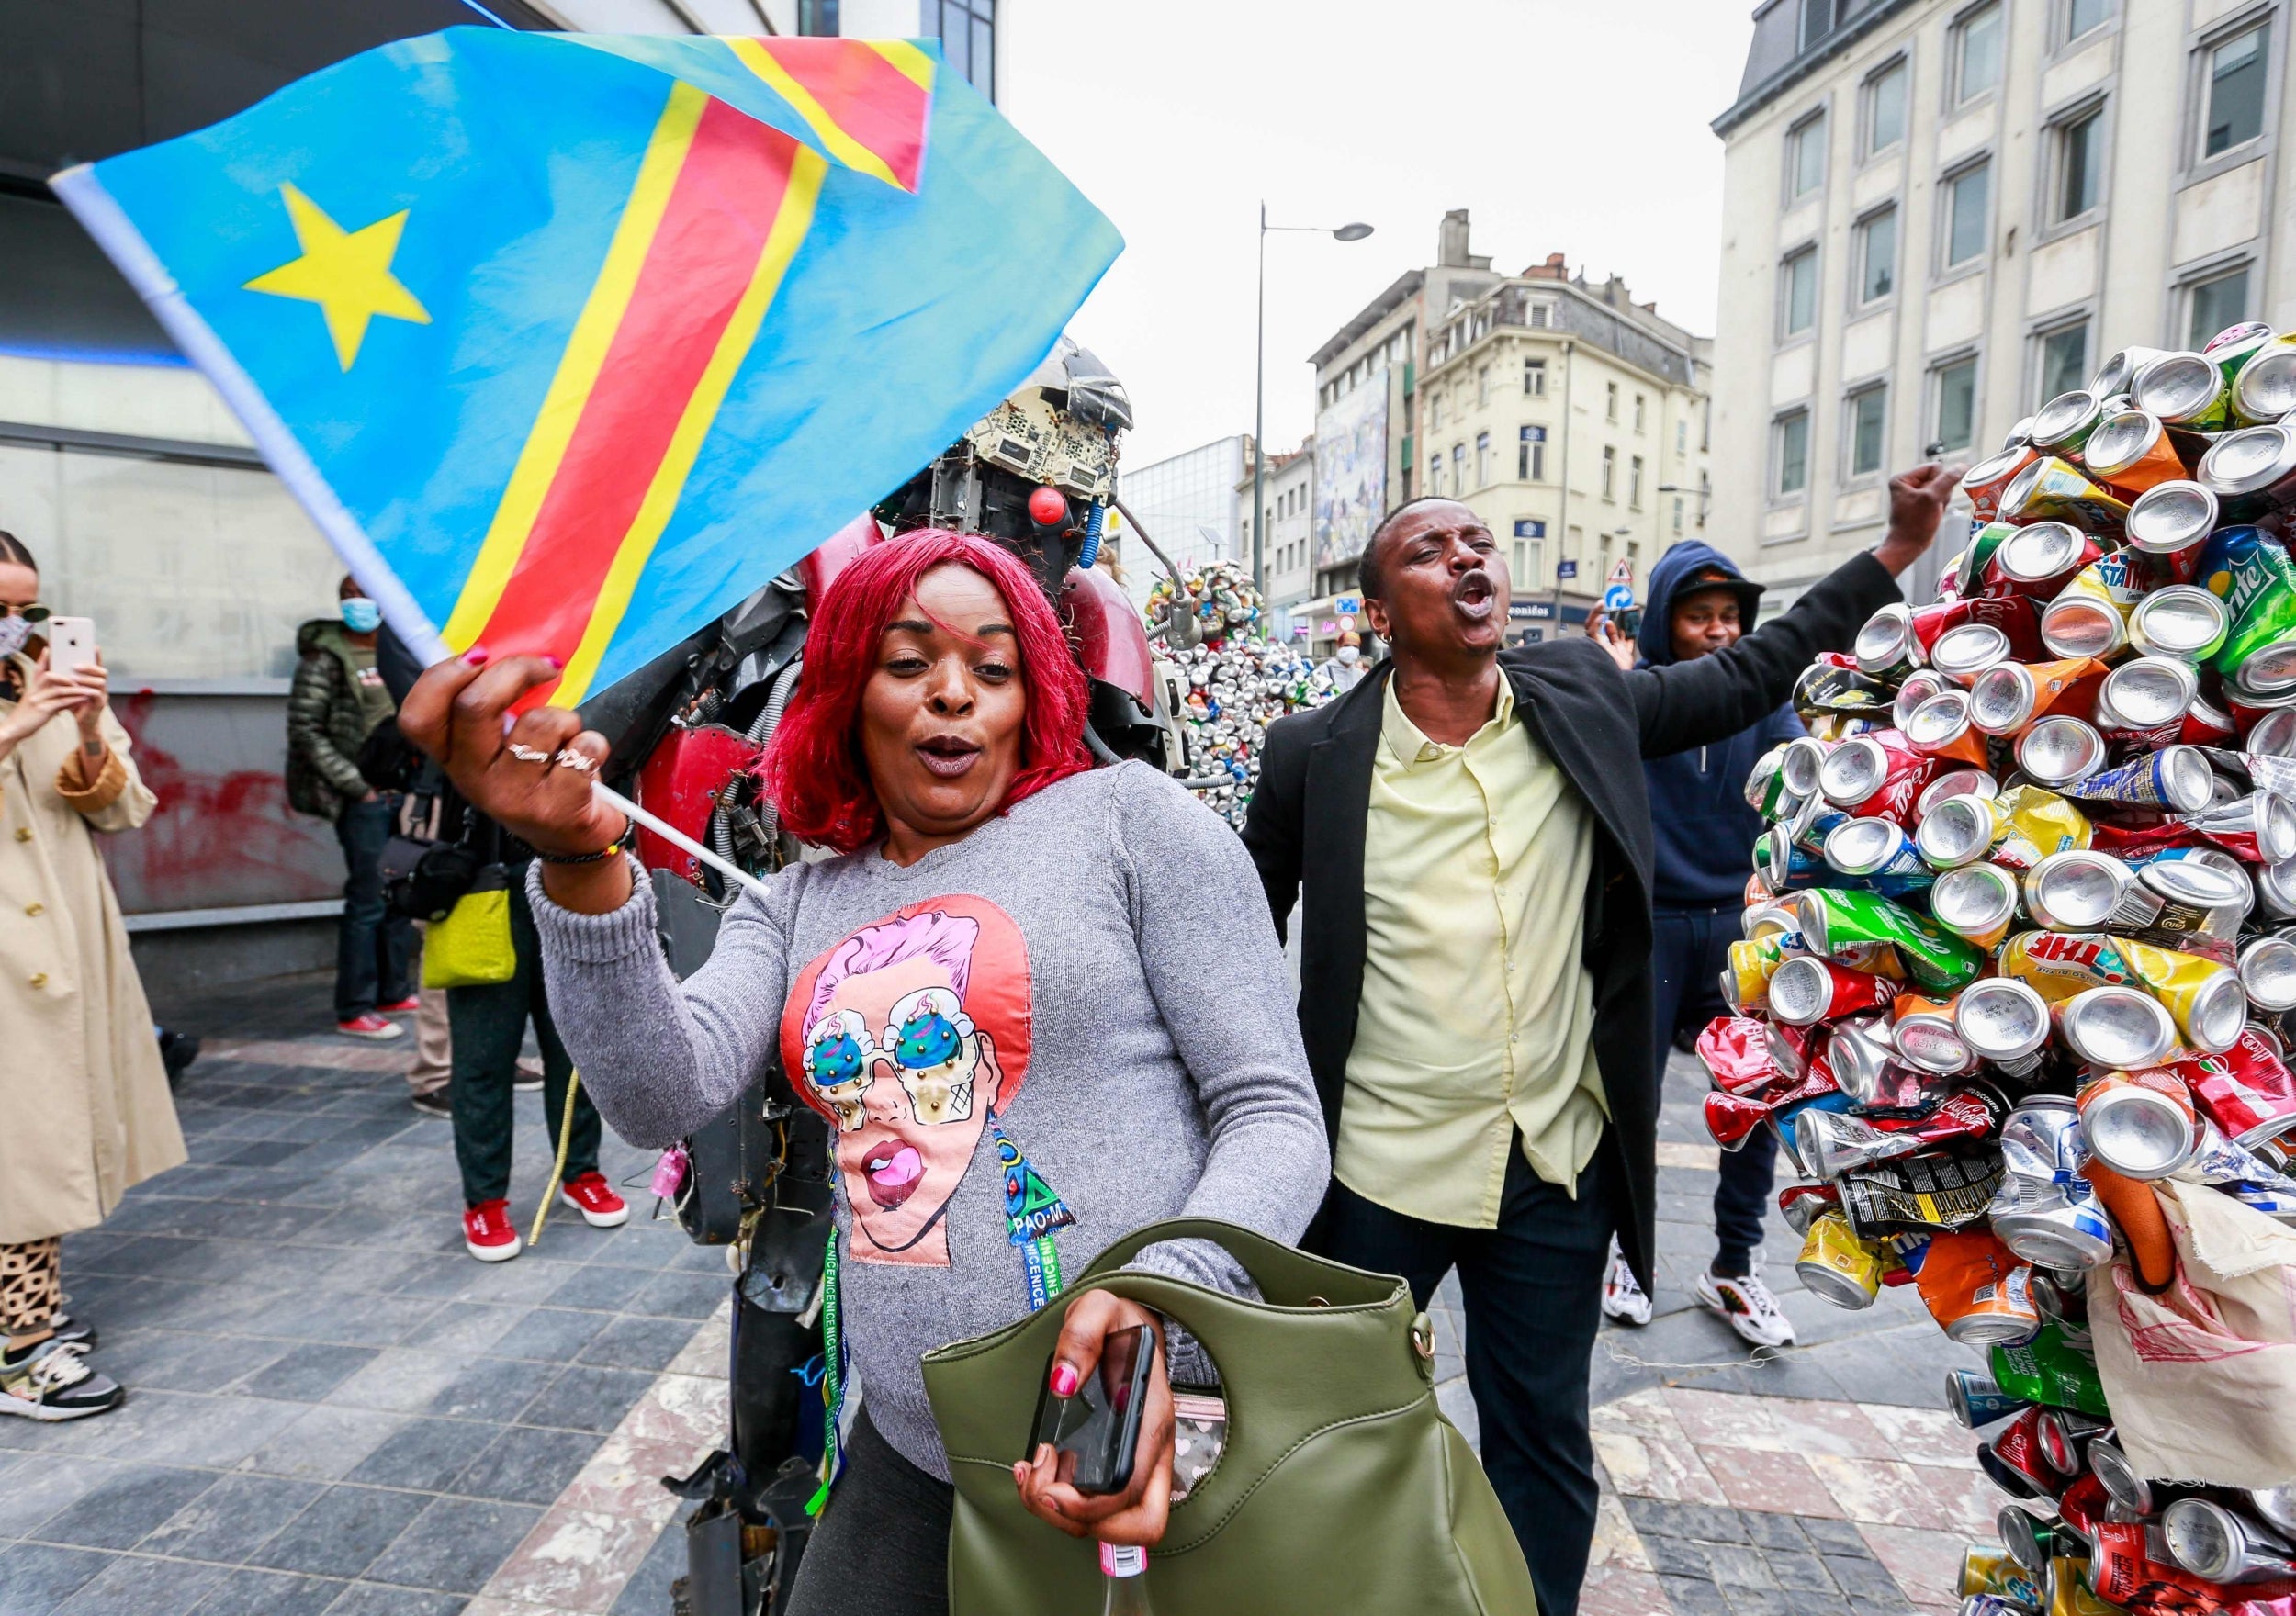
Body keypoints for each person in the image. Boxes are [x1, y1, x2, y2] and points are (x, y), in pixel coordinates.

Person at [400, 530, 1328, 1616]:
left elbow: (1273, 1111)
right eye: (907, 663)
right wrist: (579, 862)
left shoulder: (1130, 822)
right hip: (910, 1452)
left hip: (1139, 1433)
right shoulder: (794, 901)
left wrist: (1166, 1300)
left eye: (993, 667)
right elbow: (657, 1094)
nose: (952, 694)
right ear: (846, 688)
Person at [1239, 466, 1959, 1616]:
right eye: (1429, 550)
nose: (1468, 556)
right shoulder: (1311, 754)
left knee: (1542, 1443)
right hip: (1376, 1164)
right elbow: (1234, 941)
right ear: (1377, 611)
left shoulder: (1579, 688)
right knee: (1328, 1433)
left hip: (1552, 1165)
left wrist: (1890, 551)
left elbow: (1746, 675)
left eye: (1478, 539)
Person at [1595, 543, 1805, 1349]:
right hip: (1649, 926)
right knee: (1632, 1107)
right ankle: (1629, 1255)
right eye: (1698, 616)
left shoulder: (1762, 701)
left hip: (1739, 924)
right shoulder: (1635, 698)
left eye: (1730, 618)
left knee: (1750, 1100)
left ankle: (1734, 1265)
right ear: (1662, 623)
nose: (1718, 633)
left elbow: (1797, 766)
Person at [0, 531, 186, 1420]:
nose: (16, 624)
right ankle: (22, 1348)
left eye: (27, 607)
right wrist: (19, 724)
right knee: (18, 1151)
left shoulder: (44, 672)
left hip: (63, 932)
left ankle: (29, 1318)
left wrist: (80, 724)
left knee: (49, 1136)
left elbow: (124, 806)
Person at [288, 576, 415, 1039]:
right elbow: (306, 730)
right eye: (348, 596)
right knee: (366, 900)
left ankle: (394, 990)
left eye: (365, 595)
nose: (357, 604)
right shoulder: (326, 656)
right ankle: (355, 1007)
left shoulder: (399, 649)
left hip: (403, 793)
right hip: (362, 798)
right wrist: (355, 786)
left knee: (398, 893)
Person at [1317, 629, 1368, 693]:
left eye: (1355, 646)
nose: (1351, 650)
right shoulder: (1324, 670)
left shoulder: (1360, 675)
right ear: (1339, 646)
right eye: (1347, 645)